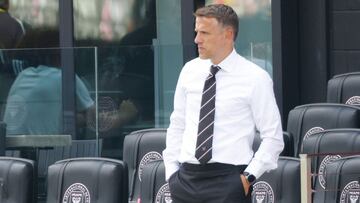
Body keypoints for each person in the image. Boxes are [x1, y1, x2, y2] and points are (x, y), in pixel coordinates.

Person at [162, 4, 284, 203]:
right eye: (196, 32)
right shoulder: (189, 71)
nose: (196, 39)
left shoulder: (255, 77)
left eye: (204, 33)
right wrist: (172, 174)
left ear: (227, 34)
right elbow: (177, 124)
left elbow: (273, 137)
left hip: (229, 182)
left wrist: (247, 179)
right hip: (185, 181)